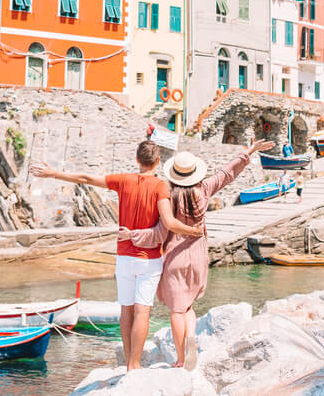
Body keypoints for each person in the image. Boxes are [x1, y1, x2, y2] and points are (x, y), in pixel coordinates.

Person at [31, 141, 202, 371]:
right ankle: (134, 364)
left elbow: (86, 179)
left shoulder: (123, 180)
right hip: (149, 259)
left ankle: (130, 362)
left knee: (126, 311)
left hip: (124, 257)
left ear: (137, 159)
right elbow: (170, 223)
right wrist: (193, 232)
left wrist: (54, 174)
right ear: (158, 161)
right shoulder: (161, 187)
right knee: (142, 311)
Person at [122, 139, 275, 370]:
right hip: (199, 257)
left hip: (175, 257)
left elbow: (159, 232)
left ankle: (181, 358)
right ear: (195, 173)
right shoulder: (205, 189)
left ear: (173, 174)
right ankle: (191, 336)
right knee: (188, 307)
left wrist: (133, 236)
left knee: (176, 310)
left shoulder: (168, 197)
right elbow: (228, 172)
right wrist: (250, 151)